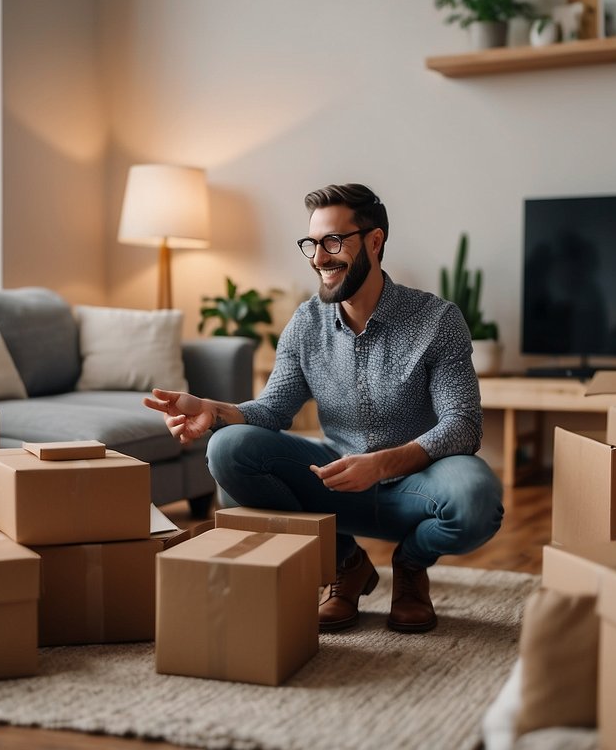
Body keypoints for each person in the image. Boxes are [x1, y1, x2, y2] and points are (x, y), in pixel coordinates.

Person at [144, 183, 503, 634]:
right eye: (311, 244)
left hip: (419, 484)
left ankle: (411, 566)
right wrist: (212, 409)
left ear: (374, 241)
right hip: (337, 480)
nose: (319, 258)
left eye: (334, 241)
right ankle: (345, 563)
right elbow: (274, 410)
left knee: (478, 501)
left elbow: (463, 426)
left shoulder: (437, 320)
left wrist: (382, 463)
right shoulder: (305, 324)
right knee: (228, 448)